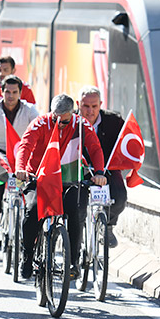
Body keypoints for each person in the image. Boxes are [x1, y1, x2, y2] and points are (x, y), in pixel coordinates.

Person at [14, 94, 107, 280]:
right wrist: (21, 168)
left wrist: (99, 172)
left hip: (69, 178)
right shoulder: (40, 123)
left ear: (73, 114)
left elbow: (95, 148)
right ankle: (28, 255)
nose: (59, 125)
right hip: (39, 177)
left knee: (76, 212)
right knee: (32, 210)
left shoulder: (81, 124)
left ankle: (73, 261)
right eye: (55, 119)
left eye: (63, 122)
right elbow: (25, 146)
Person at [0, 75, 39, 227]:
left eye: (14, 92)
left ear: (20, 93)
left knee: (28, 182)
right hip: (1, 152)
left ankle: (28, 211)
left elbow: (39, 130)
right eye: (7, 92)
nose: (10, 96)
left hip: (23, 153)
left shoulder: (29, 109)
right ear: (1, 92)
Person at [78, 86, 126, 247]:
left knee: (119, 197)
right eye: (86, 106)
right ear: (78, 104)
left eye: (94, 106)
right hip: (79, 168)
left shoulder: (114, 121)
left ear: (101, 105)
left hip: (106, 169)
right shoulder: (70, 120)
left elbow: (125, 143)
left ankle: (108, 226)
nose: (90, 111)